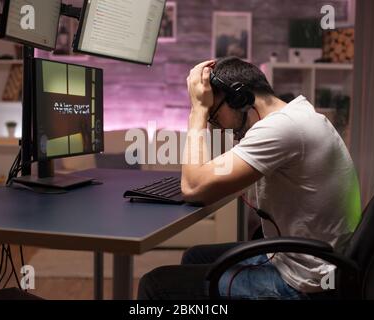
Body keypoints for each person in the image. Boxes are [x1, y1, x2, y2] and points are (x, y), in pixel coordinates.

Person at [137, 56, 361, 300]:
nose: (218, 127)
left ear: (239, 97)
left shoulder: (282, 128)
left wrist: (197, 111)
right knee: (195, 256)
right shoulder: (298, 115)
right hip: (312, 259)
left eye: (214, 115)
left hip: (304, 280)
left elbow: (193, 187)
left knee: (155, 284)